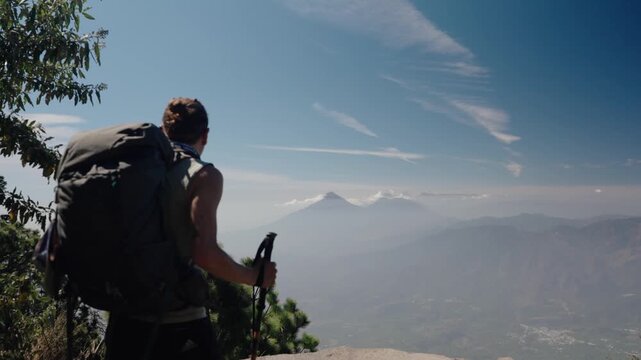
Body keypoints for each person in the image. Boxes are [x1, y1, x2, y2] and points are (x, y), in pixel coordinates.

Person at [105, 97, 277, 360]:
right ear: (205, 135)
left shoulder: (130, 170)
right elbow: (204, 252)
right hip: (178, 322)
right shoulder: (203, 175)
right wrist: (255, 277)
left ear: (164, 131)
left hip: (123, 321)